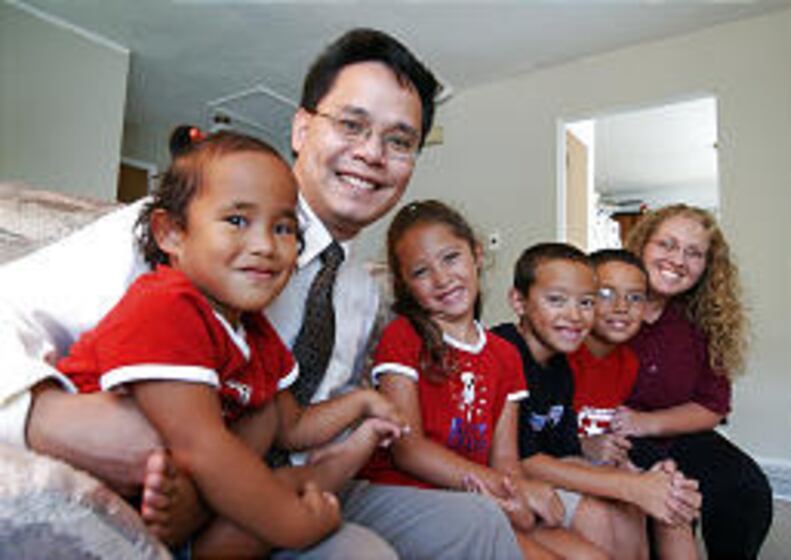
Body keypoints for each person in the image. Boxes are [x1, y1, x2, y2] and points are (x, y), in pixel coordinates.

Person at [0, 28, 521, 558]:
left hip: (308, 473)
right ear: (302, 128)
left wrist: (359, 432)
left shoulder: (362, 294)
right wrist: (44, 418)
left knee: (478, 522)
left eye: (399, 141)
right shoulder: (183, 234)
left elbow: (289, 417)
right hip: (199, 481)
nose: (371, 153)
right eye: (351, 124)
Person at [358, 199, 626, 560]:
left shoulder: (504, 354)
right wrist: (507, 488)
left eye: (451, 258)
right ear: (404, 284)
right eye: (421, 272)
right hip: (410, 492)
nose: (442, 279)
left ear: (477, 255)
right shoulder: (403, 336)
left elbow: (505, 459)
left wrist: (515, 496)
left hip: (480, 492)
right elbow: (409, 450)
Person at [492, 242, 702, 560]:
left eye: (586, 302)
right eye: (557, 300)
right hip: (501, 481)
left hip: (546, 470)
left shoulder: (559, 364)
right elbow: (522, 459)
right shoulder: (503, 351)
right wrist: (629, 485)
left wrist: (636, 479)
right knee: (602, 514)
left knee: (651, 502)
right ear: (518, 302)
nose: (575, 315)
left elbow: (566, 452)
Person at [616, 204, 773, 560]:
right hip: (614, 435)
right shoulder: (607, 304)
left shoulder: (706, 320)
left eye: (694, 253)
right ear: (641, 245)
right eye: (666, 245)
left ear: (707, 266)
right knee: (668, 500)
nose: (678, 260)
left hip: (679, 433)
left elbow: (712, 406)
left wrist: (646, 423)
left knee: (745, 488)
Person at [568, 248, 699, 559]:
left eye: (635, 297)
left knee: (673, 497)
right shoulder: (564, 355)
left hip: (602, 463)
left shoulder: (627, 363)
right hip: (565, 467)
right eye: (605, 294)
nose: (622, 307)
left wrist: (642, 471)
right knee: (614, 510)